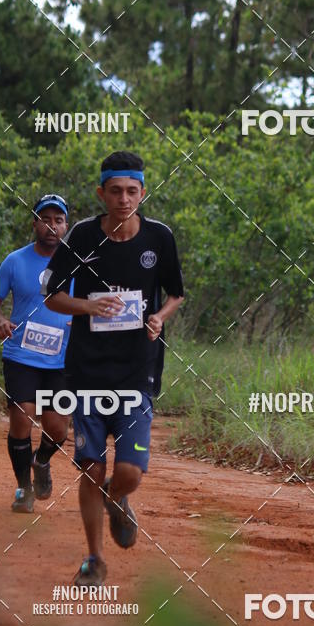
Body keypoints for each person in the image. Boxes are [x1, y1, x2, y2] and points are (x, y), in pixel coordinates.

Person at [43, 151, 184, 587]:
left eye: (132, 191)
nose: (124, 199)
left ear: (142, 192)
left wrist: (160, 317)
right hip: (86, 370)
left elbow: (176, 293)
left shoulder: (159, 238)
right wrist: (86, 304)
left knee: (127, 473)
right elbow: (51, 296)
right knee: (91, 467)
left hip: (137, 371)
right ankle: (94, 559)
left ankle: (117, 499)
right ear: (101, 192)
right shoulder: (81, 237)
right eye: (116, 191)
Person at [0, 194, 72, 514]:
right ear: (35, 223)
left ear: (66, 225)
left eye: (58, 220)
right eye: (45, 219)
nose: (51, 225)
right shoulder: (15, 260)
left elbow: (89, 302)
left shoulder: (77, 262)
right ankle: (23, 488)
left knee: (58, 429)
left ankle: (41, 461)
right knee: (22, 417)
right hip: (21, 354)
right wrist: (0, 320)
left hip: (63, 358)